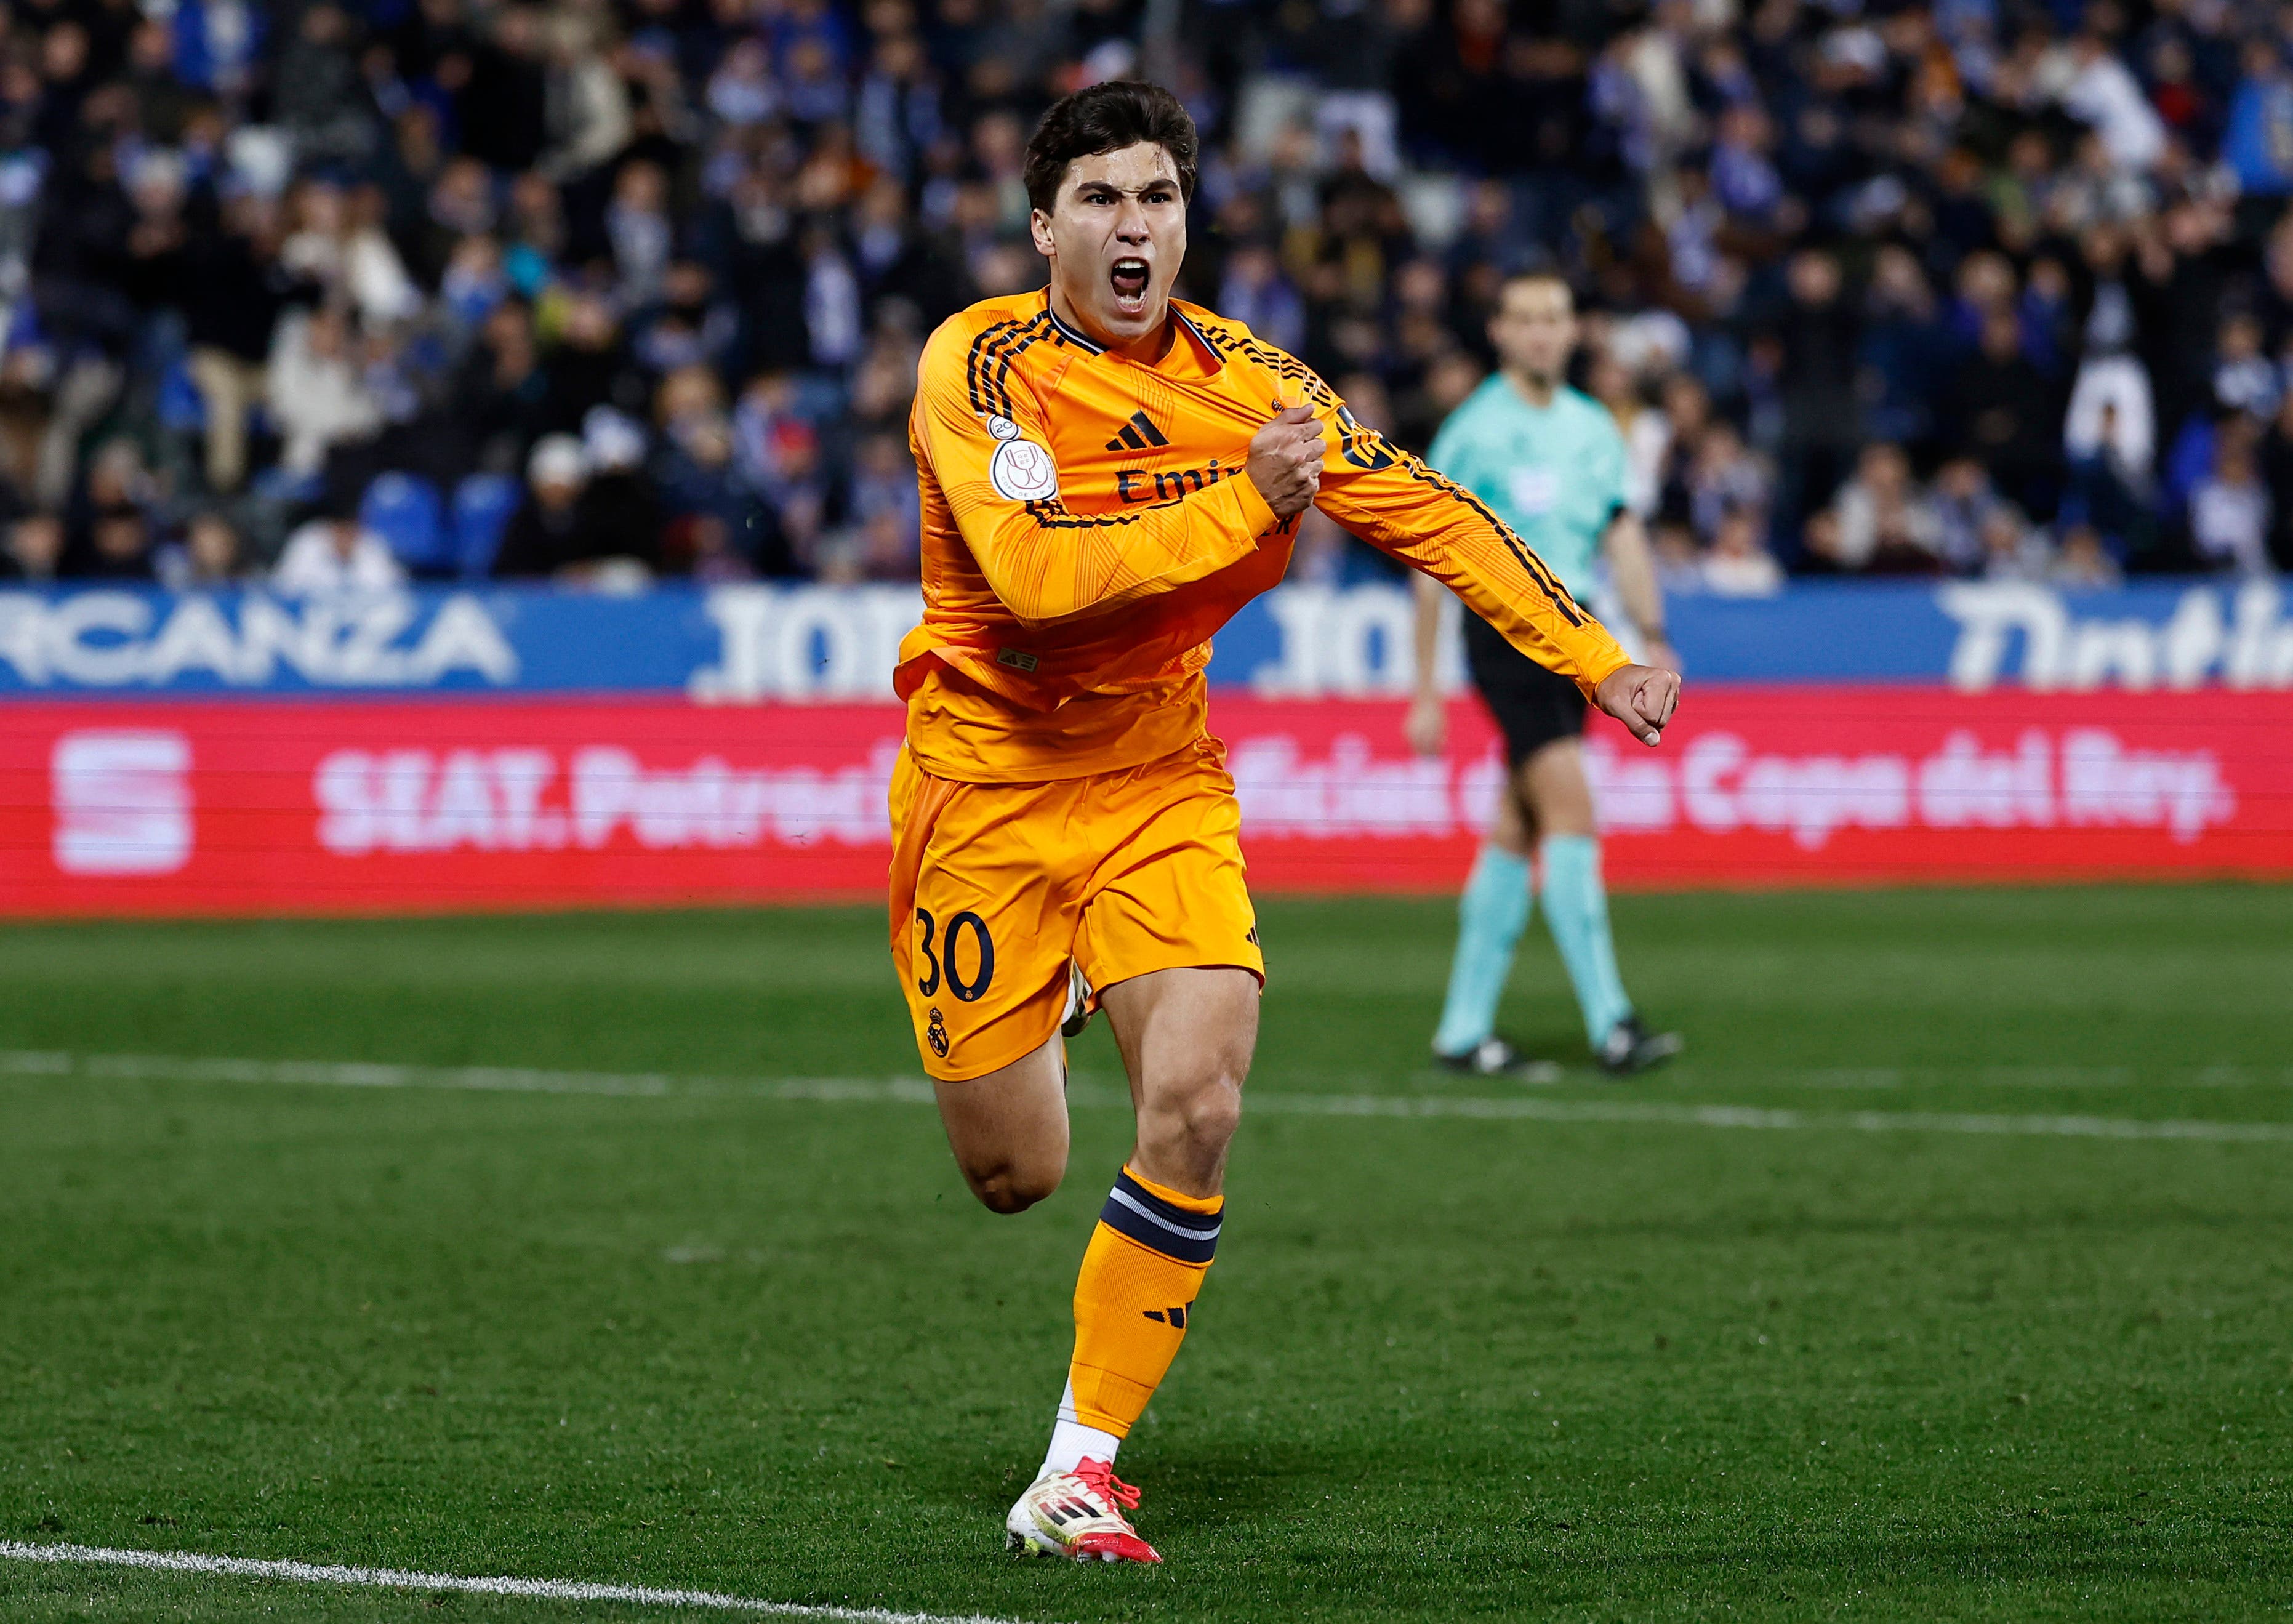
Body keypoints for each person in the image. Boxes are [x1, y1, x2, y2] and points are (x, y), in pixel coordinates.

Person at [894, 82, 1679, 1566]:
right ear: (1044, 222)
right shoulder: (979, 365)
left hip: (1156, 784)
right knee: (1017, 1176)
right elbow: (1043, 583)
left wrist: (1594, 651)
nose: (1137, 226)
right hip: (986, 791)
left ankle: (1080, 1466)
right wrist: (1250, 507)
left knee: (1196, 1103)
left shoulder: (1256, 383)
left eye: (1160, 198)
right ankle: (1052, 992)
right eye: (1104, 200)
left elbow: (1434, 510)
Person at [1405, 271, 1684, 1080]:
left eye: (1552, 319)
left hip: (1580, 640)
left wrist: (1652, 635)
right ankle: (1612, 1022)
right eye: (1523, 319)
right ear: (1499, 332)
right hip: (1505, 637)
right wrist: (1425, 686)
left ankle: (1462, 1031)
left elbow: (1621, 534)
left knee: (1518, 824)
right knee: (1571, 809)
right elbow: (1429, 561)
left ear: (1572, 332)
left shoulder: (1593, 428)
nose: (1538, 333)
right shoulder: (1472, 432)